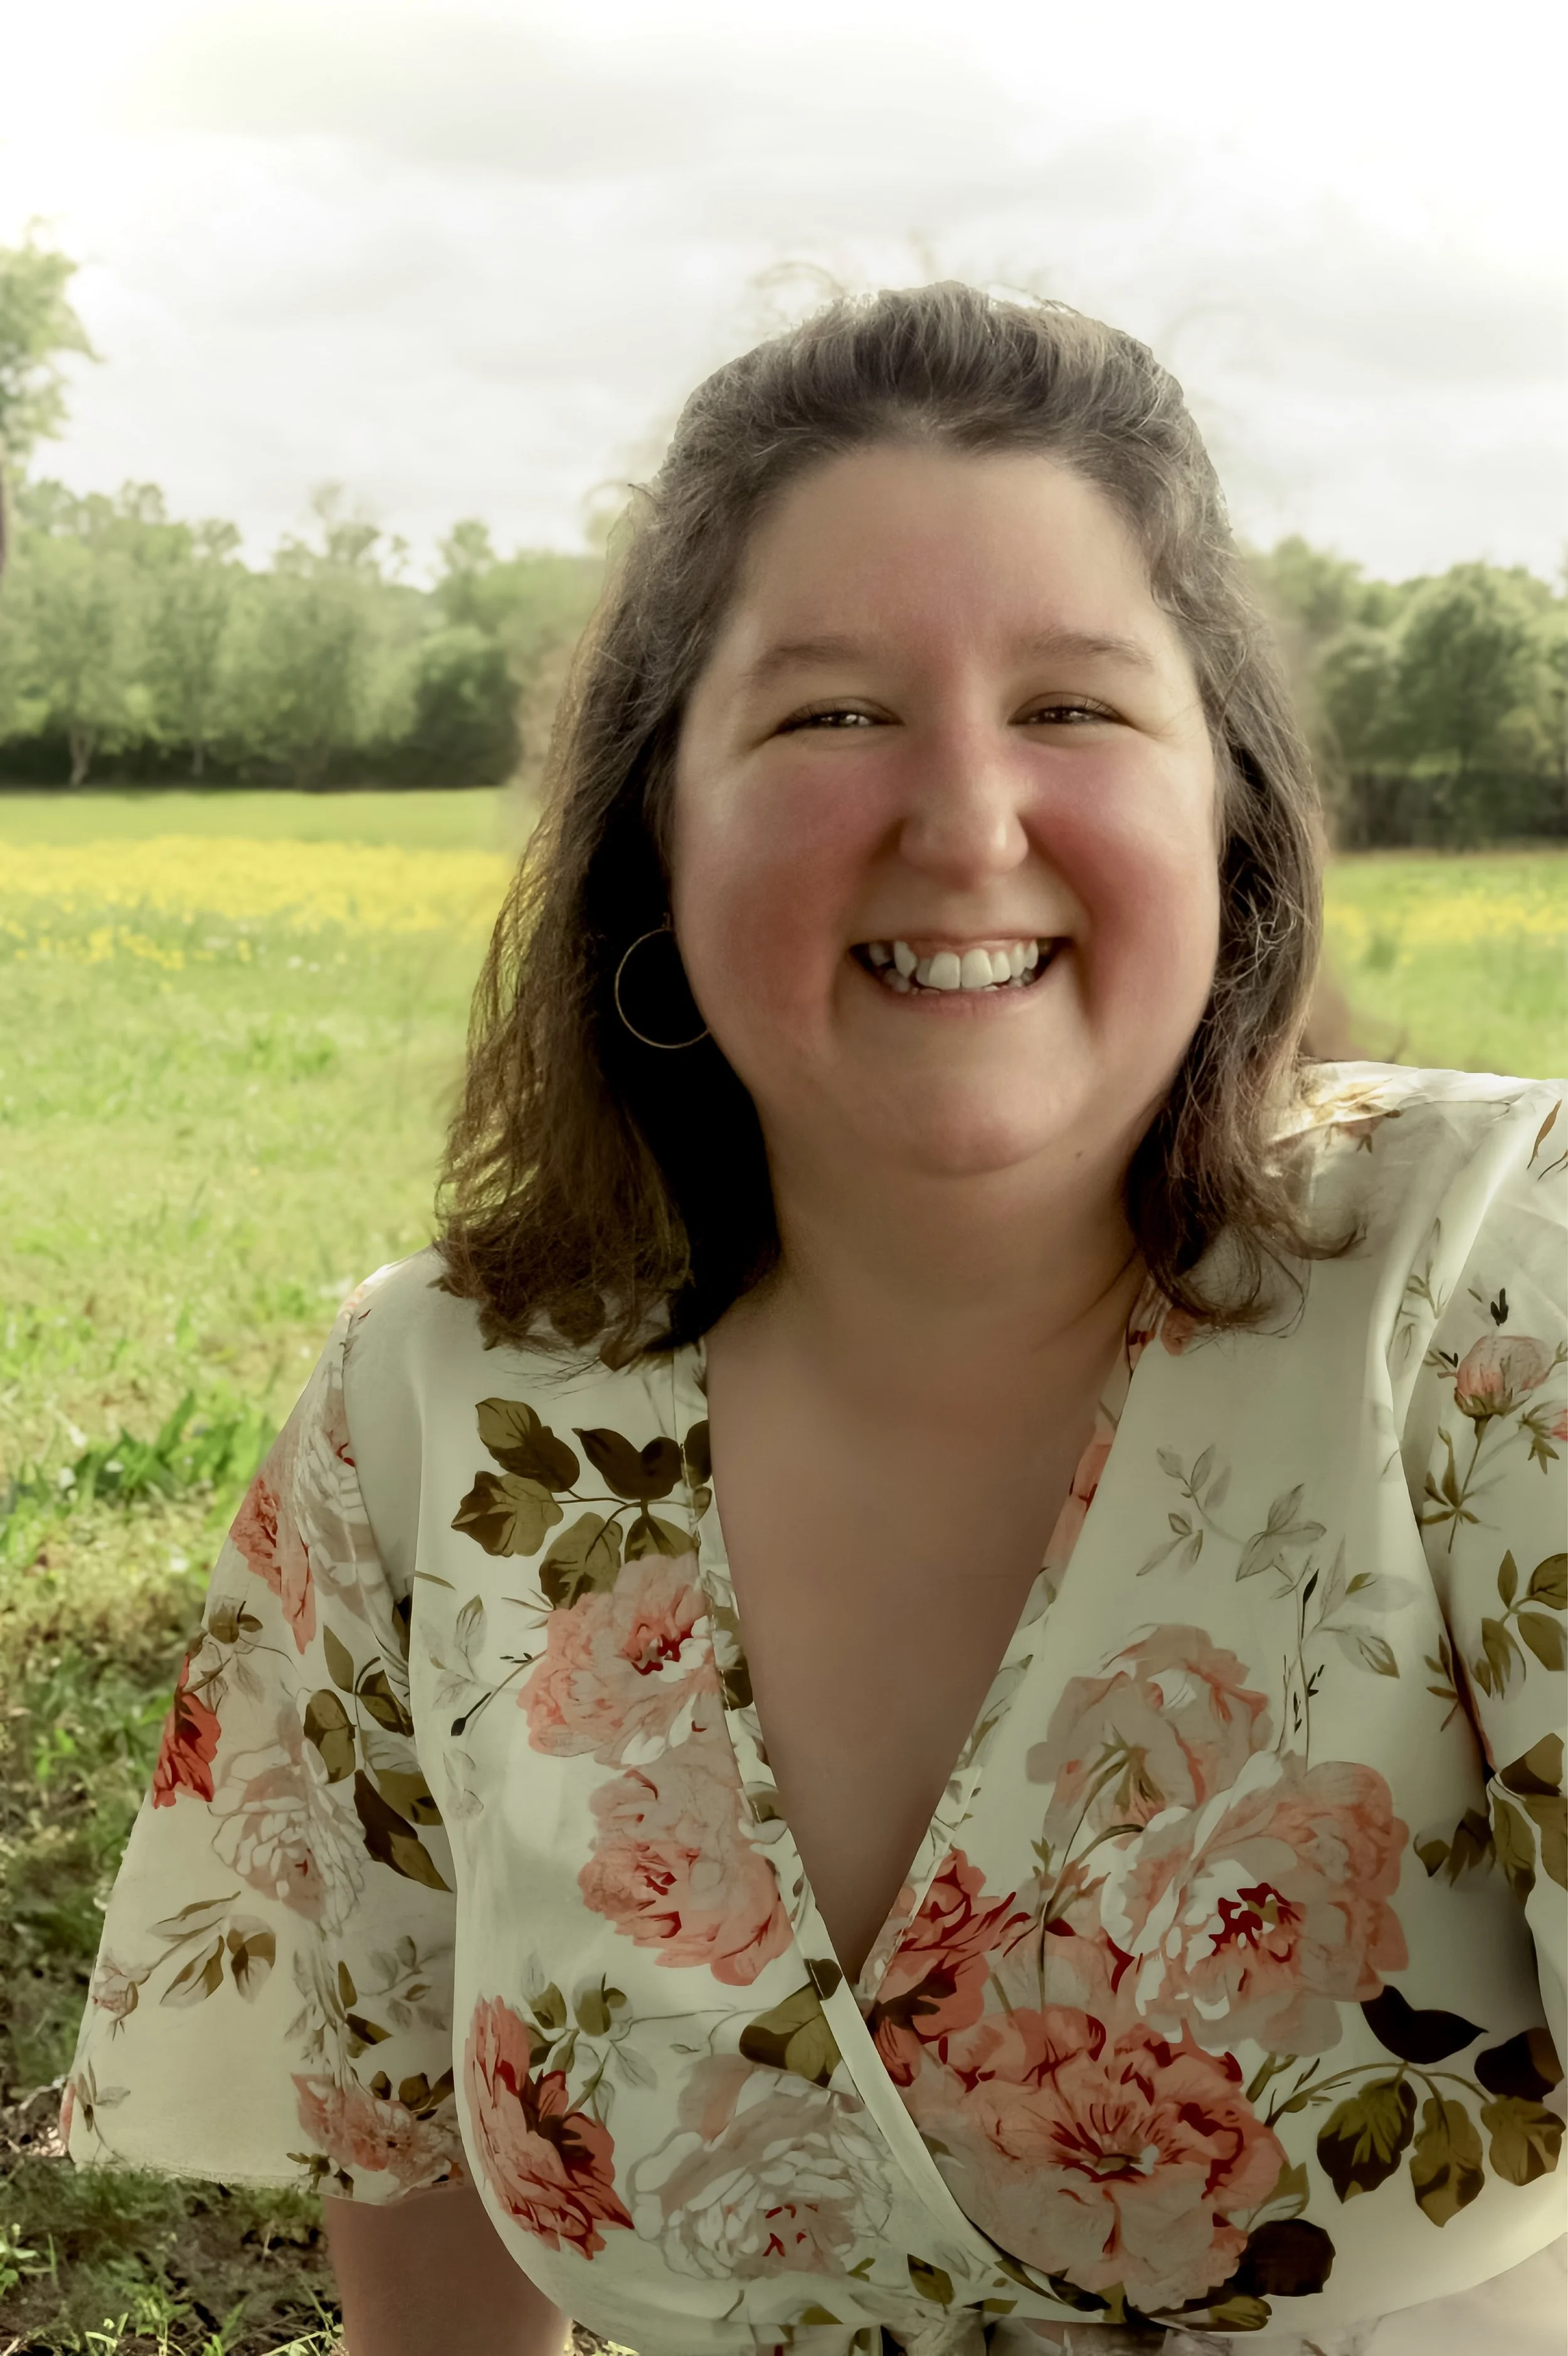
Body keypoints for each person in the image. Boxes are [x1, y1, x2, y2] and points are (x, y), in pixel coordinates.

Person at [64, 284, 1565, 2355]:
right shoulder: (433, 1418)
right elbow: (412, 2185)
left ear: (1227, 805)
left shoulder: (1501, 1287)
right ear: (654, 825)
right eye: (830, 713)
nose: (962, 816)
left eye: (1073, 703)